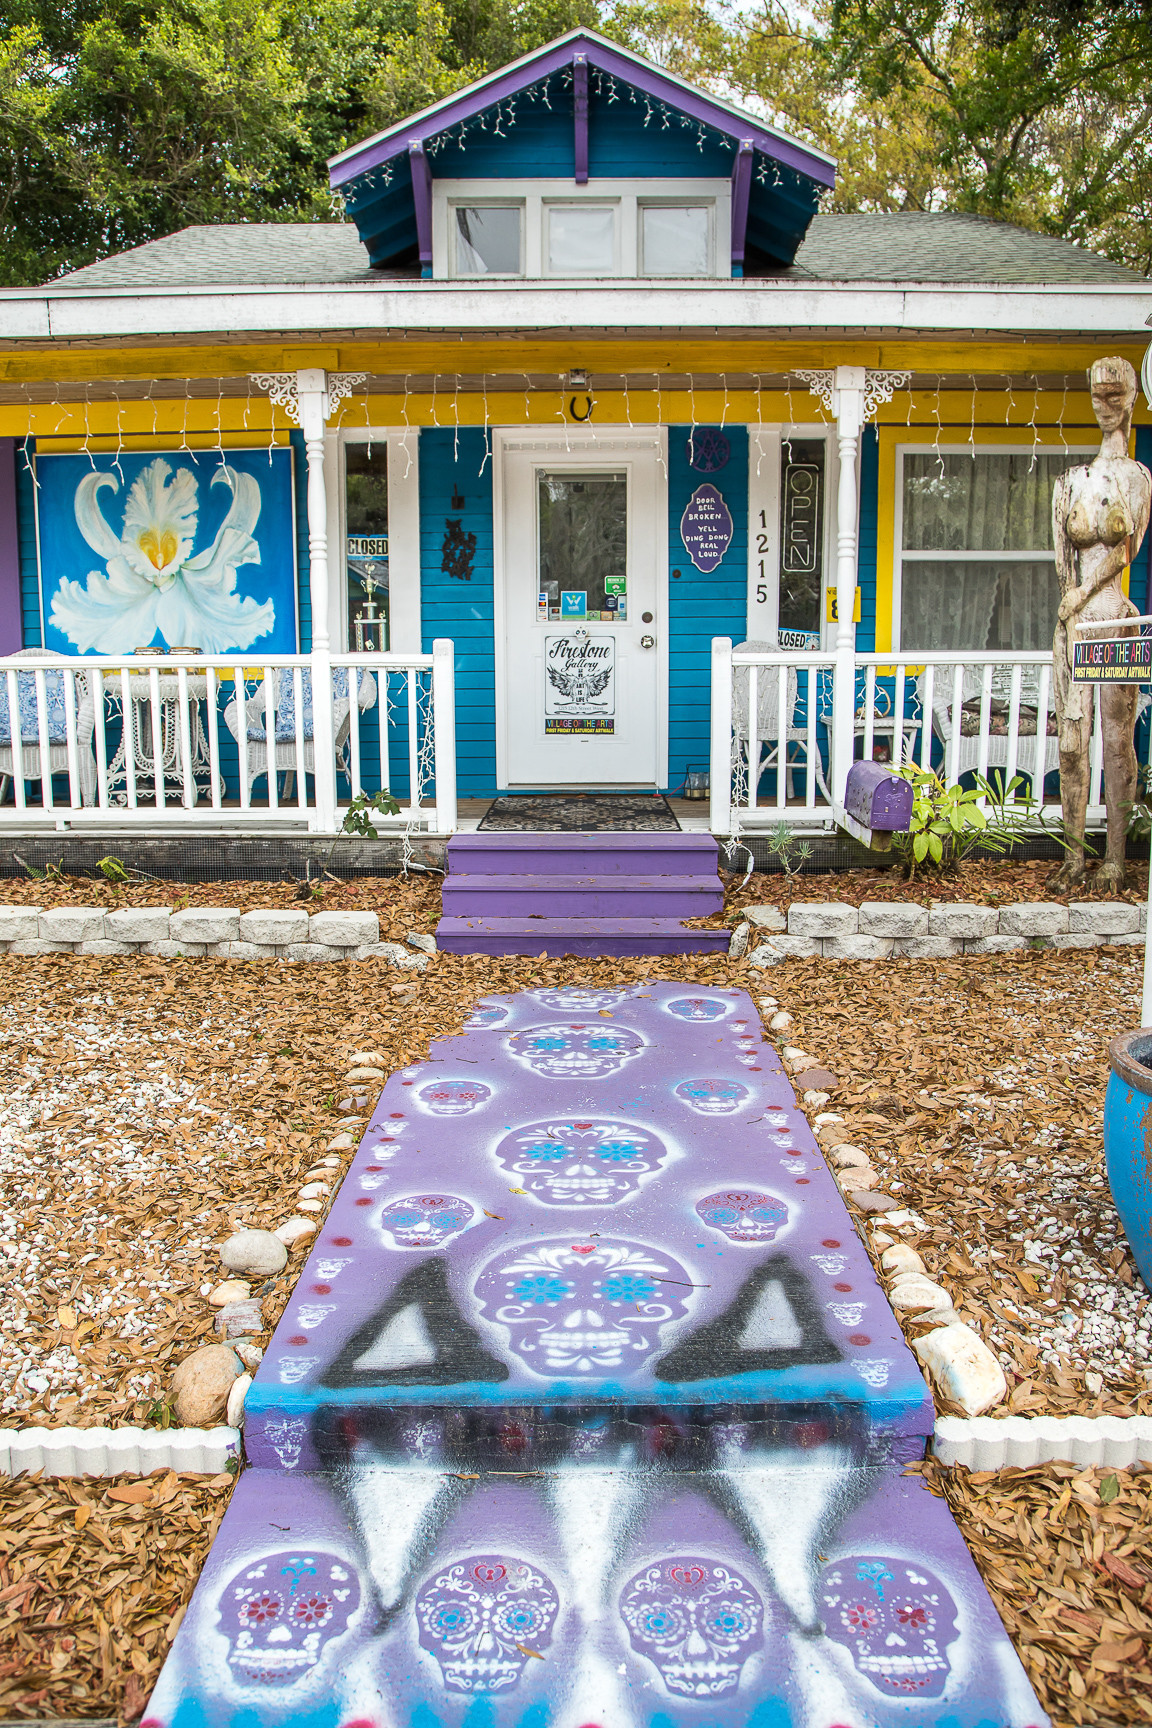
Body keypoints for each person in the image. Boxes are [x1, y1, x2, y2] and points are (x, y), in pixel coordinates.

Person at [1050, 355, 1151, 891]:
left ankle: (1113, 857)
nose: (1105, 405)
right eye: (1097, 395)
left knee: (1117, 740)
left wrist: (1085, 593)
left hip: (1113, 620)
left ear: (1132, 397)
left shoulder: (1137, 477)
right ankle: (1072, 857)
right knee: (1071, 742)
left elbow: (1126, 548)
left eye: (1116, 395)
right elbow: (1063, 560)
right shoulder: (1069, 481)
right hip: (1073, 623)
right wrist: (1069, 609)